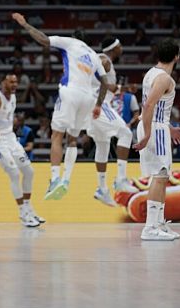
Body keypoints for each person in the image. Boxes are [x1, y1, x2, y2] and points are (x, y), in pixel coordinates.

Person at [11, 12, 109, 201]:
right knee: (72, 139)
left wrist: (25, 25)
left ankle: (55, 179)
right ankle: (66, 179)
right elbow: (104, 82)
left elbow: (43, 39)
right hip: (88, 98)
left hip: (70, 92)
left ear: (75, 37)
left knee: (57, 135)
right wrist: (98, 105)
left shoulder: (71, 43)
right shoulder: (93, 55)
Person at [133, 39, 180, 241]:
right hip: (154, 128)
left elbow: (151, 106)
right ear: (176, 56)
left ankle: (159, 223)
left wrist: (168, 127)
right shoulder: (164, 78)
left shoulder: (151, 73)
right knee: (160, 175)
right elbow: (148, 106)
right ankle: (150, 228)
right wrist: (148, 134)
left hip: (156, 126)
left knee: (162, 176)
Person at [86, 38, 139, 206]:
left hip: (92, 105)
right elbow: (100, 77)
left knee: (103, 144)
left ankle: (102, 188)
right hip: (99, 105)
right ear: (113, 48)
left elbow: (107, 85)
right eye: (119, 45)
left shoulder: (105, 62)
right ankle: (121, 179)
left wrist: (124, 88)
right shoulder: (104, 60)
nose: (121, 47)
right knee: (126, 133)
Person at [0, 74, 43, 227]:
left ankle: (28, 208)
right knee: (14, 173)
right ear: (3, 82)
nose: (14, 84)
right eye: (11, 82)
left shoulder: (13, 97)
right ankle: (22, 213)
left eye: (16, 82)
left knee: (29, 171)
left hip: (11, 138)